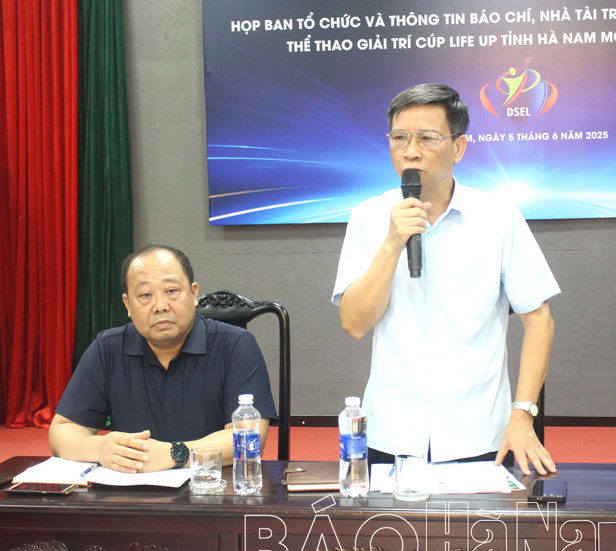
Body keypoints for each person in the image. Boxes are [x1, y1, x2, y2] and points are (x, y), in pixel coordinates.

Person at [332, 83, 560, 475]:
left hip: (479, 435)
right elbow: (354, 323)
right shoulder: (368, 217)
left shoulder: (498, 217)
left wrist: (523, 414)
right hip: (390, 435)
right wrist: (392, 243)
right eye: (399, 138)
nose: (410, 151)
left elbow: (539, 320)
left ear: (458, 147)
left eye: (426, 138)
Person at [49, 245, 278, 473]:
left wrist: (174, 454)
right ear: (128, 305)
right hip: (131, 489)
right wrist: (99, 448)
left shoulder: (236, 345)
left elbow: (249, 439)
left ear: (194, 294)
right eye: (145, 295)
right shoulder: (107, 349)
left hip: (212, 486)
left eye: (171, 291)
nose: (160, 306)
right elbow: (62, 431)